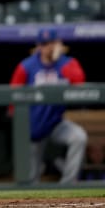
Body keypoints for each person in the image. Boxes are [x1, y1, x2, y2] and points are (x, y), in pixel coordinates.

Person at [10, 27, 87, 184]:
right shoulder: (26, 66)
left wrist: (59, 59)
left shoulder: (67, 63)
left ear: (58, 43)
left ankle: (68, 183)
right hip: (32, 126)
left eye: (52, 42)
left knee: (79, 137)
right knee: (31, 178)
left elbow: (79, 81)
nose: (48, 47)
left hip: (55, 123)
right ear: (39, 46)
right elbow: (12, 96)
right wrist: (20, 127)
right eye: (44, 43)